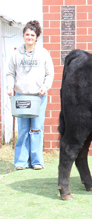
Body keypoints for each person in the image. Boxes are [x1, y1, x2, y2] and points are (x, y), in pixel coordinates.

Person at [6, 20, 54, 170]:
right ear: (23, 36)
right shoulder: (15, 54)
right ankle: (21, 162)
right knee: (22, 130)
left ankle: (37, 161)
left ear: (37, 37)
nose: (29, 37)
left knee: (37, 129)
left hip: (38, 97)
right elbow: (9, 73)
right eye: (27, 34)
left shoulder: (43, 53)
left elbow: (50, 74)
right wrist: (9, 86)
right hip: (21, 97)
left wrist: (45, 87)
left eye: (32, 35)